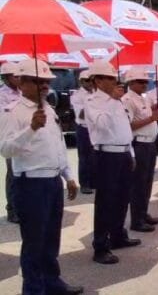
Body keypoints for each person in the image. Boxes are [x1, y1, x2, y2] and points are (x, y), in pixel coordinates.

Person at [0, 59, 83, 294]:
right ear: (22, 83)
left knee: (51, 238)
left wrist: (68, 176)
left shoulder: (48, 109)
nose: (44, 86)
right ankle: (33, 289)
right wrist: (31, 129)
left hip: (52, 180)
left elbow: (58, 145)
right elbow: (6, 149)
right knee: (34, 242)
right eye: (37, 81)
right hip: (30, 183)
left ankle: (52, 282)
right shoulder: (12, 111)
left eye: (46, 81)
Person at [85, 62, 141, 264]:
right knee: (105, 201)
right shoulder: (93, 101)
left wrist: (131, 153)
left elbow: (124, 128)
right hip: (106, 155)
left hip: (123, 152)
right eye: (109, 78)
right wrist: (111, 101)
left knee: (122, 197)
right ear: (98, 81)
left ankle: (118, 235)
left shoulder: (117, 101)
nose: (114, 81)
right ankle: (100, 246)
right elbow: (102, 125)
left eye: (114, 78)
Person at [121, 69, 158, 233]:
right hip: (139, 144)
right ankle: (137, 220)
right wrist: (152, 118)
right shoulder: (127, 100)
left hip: (150, 144)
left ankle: (143, 213)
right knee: (138, 184)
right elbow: (128, 125)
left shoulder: (142, 98)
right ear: (131, 83)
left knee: (147, 182)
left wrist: (152, 110)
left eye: (145, 81)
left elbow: (144, 116)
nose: (144, 84)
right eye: (140, 81)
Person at [1, 62, 21, 223]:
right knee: (13, 174)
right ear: (6, 78)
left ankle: (22, 206)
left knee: (23, 173)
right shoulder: (2, 95)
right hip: (10, 138)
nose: (19, 79)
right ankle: (12, 209)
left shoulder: (22, 92)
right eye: (15, 76)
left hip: (26, 136)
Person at [69, 69, 95, 195]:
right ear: (81, 82)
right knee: (84, 156)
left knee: (95, 155)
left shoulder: (96, 93)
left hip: (95, 127)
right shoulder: (77, 95)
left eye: (92, 80)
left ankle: (94, 181)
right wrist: (90, 103)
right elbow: (81, 115)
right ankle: (84, 184)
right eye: (87, 80)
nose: (90, 83)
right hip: (84, 127)